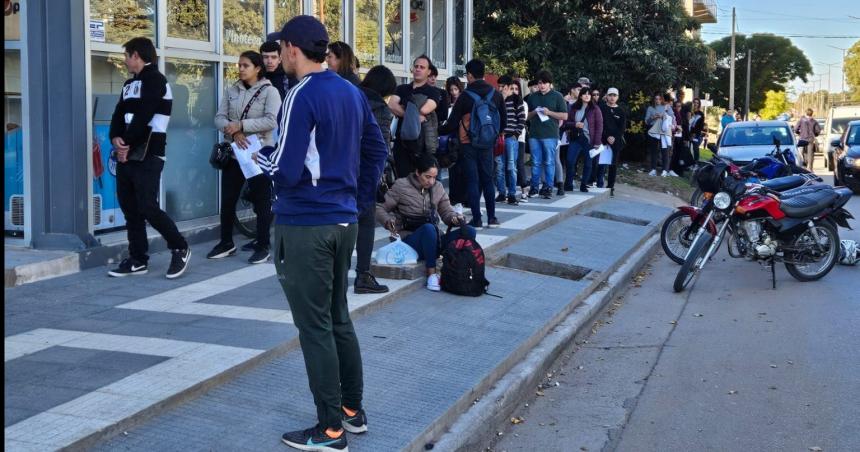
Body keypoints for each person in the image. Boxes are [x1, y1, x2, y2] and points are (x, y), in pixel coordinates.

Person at [256, 15, 388, 451]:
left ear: (292, 48)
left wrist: (256, 156)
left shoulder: (300, 94)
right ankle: (352, 410)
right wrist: (357, 197)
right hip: (342, 221)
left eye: (281, 50)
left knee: (315, 327)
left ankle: (330, 429)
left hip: (306, 225)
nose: (280, 58)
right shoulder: (351, 92)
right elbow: (376, 149)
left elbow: (287, 169)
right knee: (337, 319)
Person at [107, 37, 190, 279]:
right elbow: (118, 114)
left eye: (126, 55)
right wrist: (116, 139)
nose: (125, 60)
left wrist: (127, 143)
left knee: (147, 206)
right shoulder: (128, 85)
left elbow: (145, 116)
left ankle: (179, 246)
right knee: (129, 208)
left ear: (136, 56)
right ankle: (138, 259)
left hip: (150, 153)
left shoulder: (156, 80)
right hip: (128, 153)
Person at [209, 51, 282, 264]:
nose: (240, 68)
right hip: (235, 153)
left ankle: (262, 244)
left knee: (261, 201)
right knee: (228, 199)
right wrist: (235, 132)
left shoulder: (270, 92)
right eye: (239, 65)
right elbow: (219, 117)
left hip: (258, 154)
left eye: (245, 65)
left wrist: (242, 125)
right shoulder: (232, 89)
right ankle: (226, 242)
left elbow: (271, 121)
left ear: (257, 68)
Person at [377, 154, 475, 291]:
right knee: (428, 229)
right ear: (417, 172)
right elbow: (380, 207)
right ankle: (432, 275)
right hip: (409, 241)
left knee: (469, 231)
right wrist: (388, 221)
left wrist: (454, 218)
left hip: (433, 240)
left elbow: (446, 211)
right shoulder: (402, 185)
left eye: (434, 177)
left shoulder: (438, 187)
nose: (431, 181)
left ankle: (458, 267)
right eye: (427, 177)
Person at [438, 58, 506, 228]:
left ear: (469, 75)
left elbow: (452, 124)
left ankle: (477, 219)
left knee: (472, 181)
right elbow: (503, 122)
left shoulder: (465, 97)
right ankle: (492, 218)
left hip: (468, 143)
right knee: (488, 180)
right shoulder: (496, 94)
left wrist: (436, 130)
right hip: (487, 144)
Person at [354, 65, 398, 294]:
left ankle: (331, 273)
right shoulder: (380, 108)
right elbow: (380, 148)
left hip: (338, 170)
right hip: (364, 174)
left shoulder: (350, 97)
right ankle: (362, 274)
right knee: (365, 223)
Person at [388, 55, 440, 177]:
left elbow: (425, 109)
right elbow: (391, 104)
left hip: (422, 145)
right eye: (416, 66)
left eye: (422, 67)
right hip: (402, 143)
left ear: (429, 71)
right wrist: (412, 115)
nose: (418, 69)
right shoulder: (402, 88)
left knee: (421, 182)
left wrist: (403, 108)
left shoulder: (433, 91)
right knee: (402, 181)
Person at [525, 70, 568, 199]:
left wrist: (549, 113)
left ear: (550, 84)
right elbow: (526, 117)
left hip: (550, 134)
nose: (542, 85)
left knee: (549, 162)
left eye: (545, 83)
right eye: (540, 83)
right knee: (536, 162)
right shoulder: (532, 97)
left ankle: (548, 187)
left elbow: (564, 115)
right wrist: (534, 112)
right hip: (534, 134)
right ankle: (534, 187)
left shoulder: (557, 96)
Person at [561, 88, 603, 192]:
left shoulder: (595, 109)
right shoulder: (574, 107)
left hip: (589, 139)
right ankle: (568, 183)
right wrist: (575, 124)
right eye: (585, 94)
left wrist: (597, 141)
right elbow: (566, 123)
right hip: (575, 138)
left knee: (588, 163)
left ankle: (584, 184)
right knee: (570, 161)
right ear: (580, 96)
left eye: (589, 94)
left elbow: (599, 126)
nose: (587, 96)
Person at [495, 75, 526, 205]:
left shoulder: (516, 100)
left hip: (511, 138)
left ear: (508, 87)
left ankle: (512, 194)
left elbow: (522, 118)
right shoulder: (496, 99)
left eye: (503, 87)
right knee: (499, 167)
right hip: (498, 138)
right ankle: (502, 193)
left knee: (511, 166)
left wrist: (516, 133)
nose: (501, 89)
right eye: (499, 86)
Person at [598, 87, 627, 196]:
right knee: (600, 163)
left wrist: (614, 137)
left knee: (613, 165)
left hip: (616, 142)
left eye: (614, 95)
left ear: (617, 97)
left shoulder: (621, 111)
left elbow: (622, 128)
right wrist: (606, 137)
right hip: (602, 140)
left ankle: (611, 187)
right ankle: (598, 184)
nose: (612, 97)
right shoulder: (601, 108)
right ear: (607, 96)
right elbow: (600, 124)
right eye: (610, 95)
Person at [512, 80, 530, 203]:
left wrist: (516, 134)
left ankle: (524, 189)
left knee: (519, 163)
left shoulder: (523, 104)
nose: (514, 91)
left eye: (516, 89)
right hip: (506, 138)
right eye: (512, 88)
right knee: (509, 165)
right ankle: (510, 192)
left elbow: (522, 122)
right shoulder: (504, 102)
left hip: (519, 138)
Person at [645, 93, 667, 176]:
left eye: (659, 99)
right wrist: (653, 117)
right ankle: (653, 169)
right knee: (653, 150)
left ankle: (665, 170)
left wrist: (662, 116)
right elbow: (646, 121)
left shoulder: (665, 107)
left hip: (662, 130)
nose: (657, 100)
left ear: (661, 100)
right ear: (654, 100)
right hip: (653, 130)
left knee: (664, 150)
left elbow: (671, 118)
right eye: (656, 99)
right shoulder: (650, 108)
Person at [689, 98, 706, 165]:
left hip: (696, 134)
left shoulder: (701, 114)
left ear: (699, 104)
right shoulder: (689, 112)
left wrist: (694, 134)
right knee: (687, 149)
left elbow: (700, 126)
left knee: (695, 149)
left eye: (697, 103)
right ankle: (688, 163)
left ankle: (696, 163)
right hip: (688, 133)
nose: (695, 104)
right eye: (694, 102)